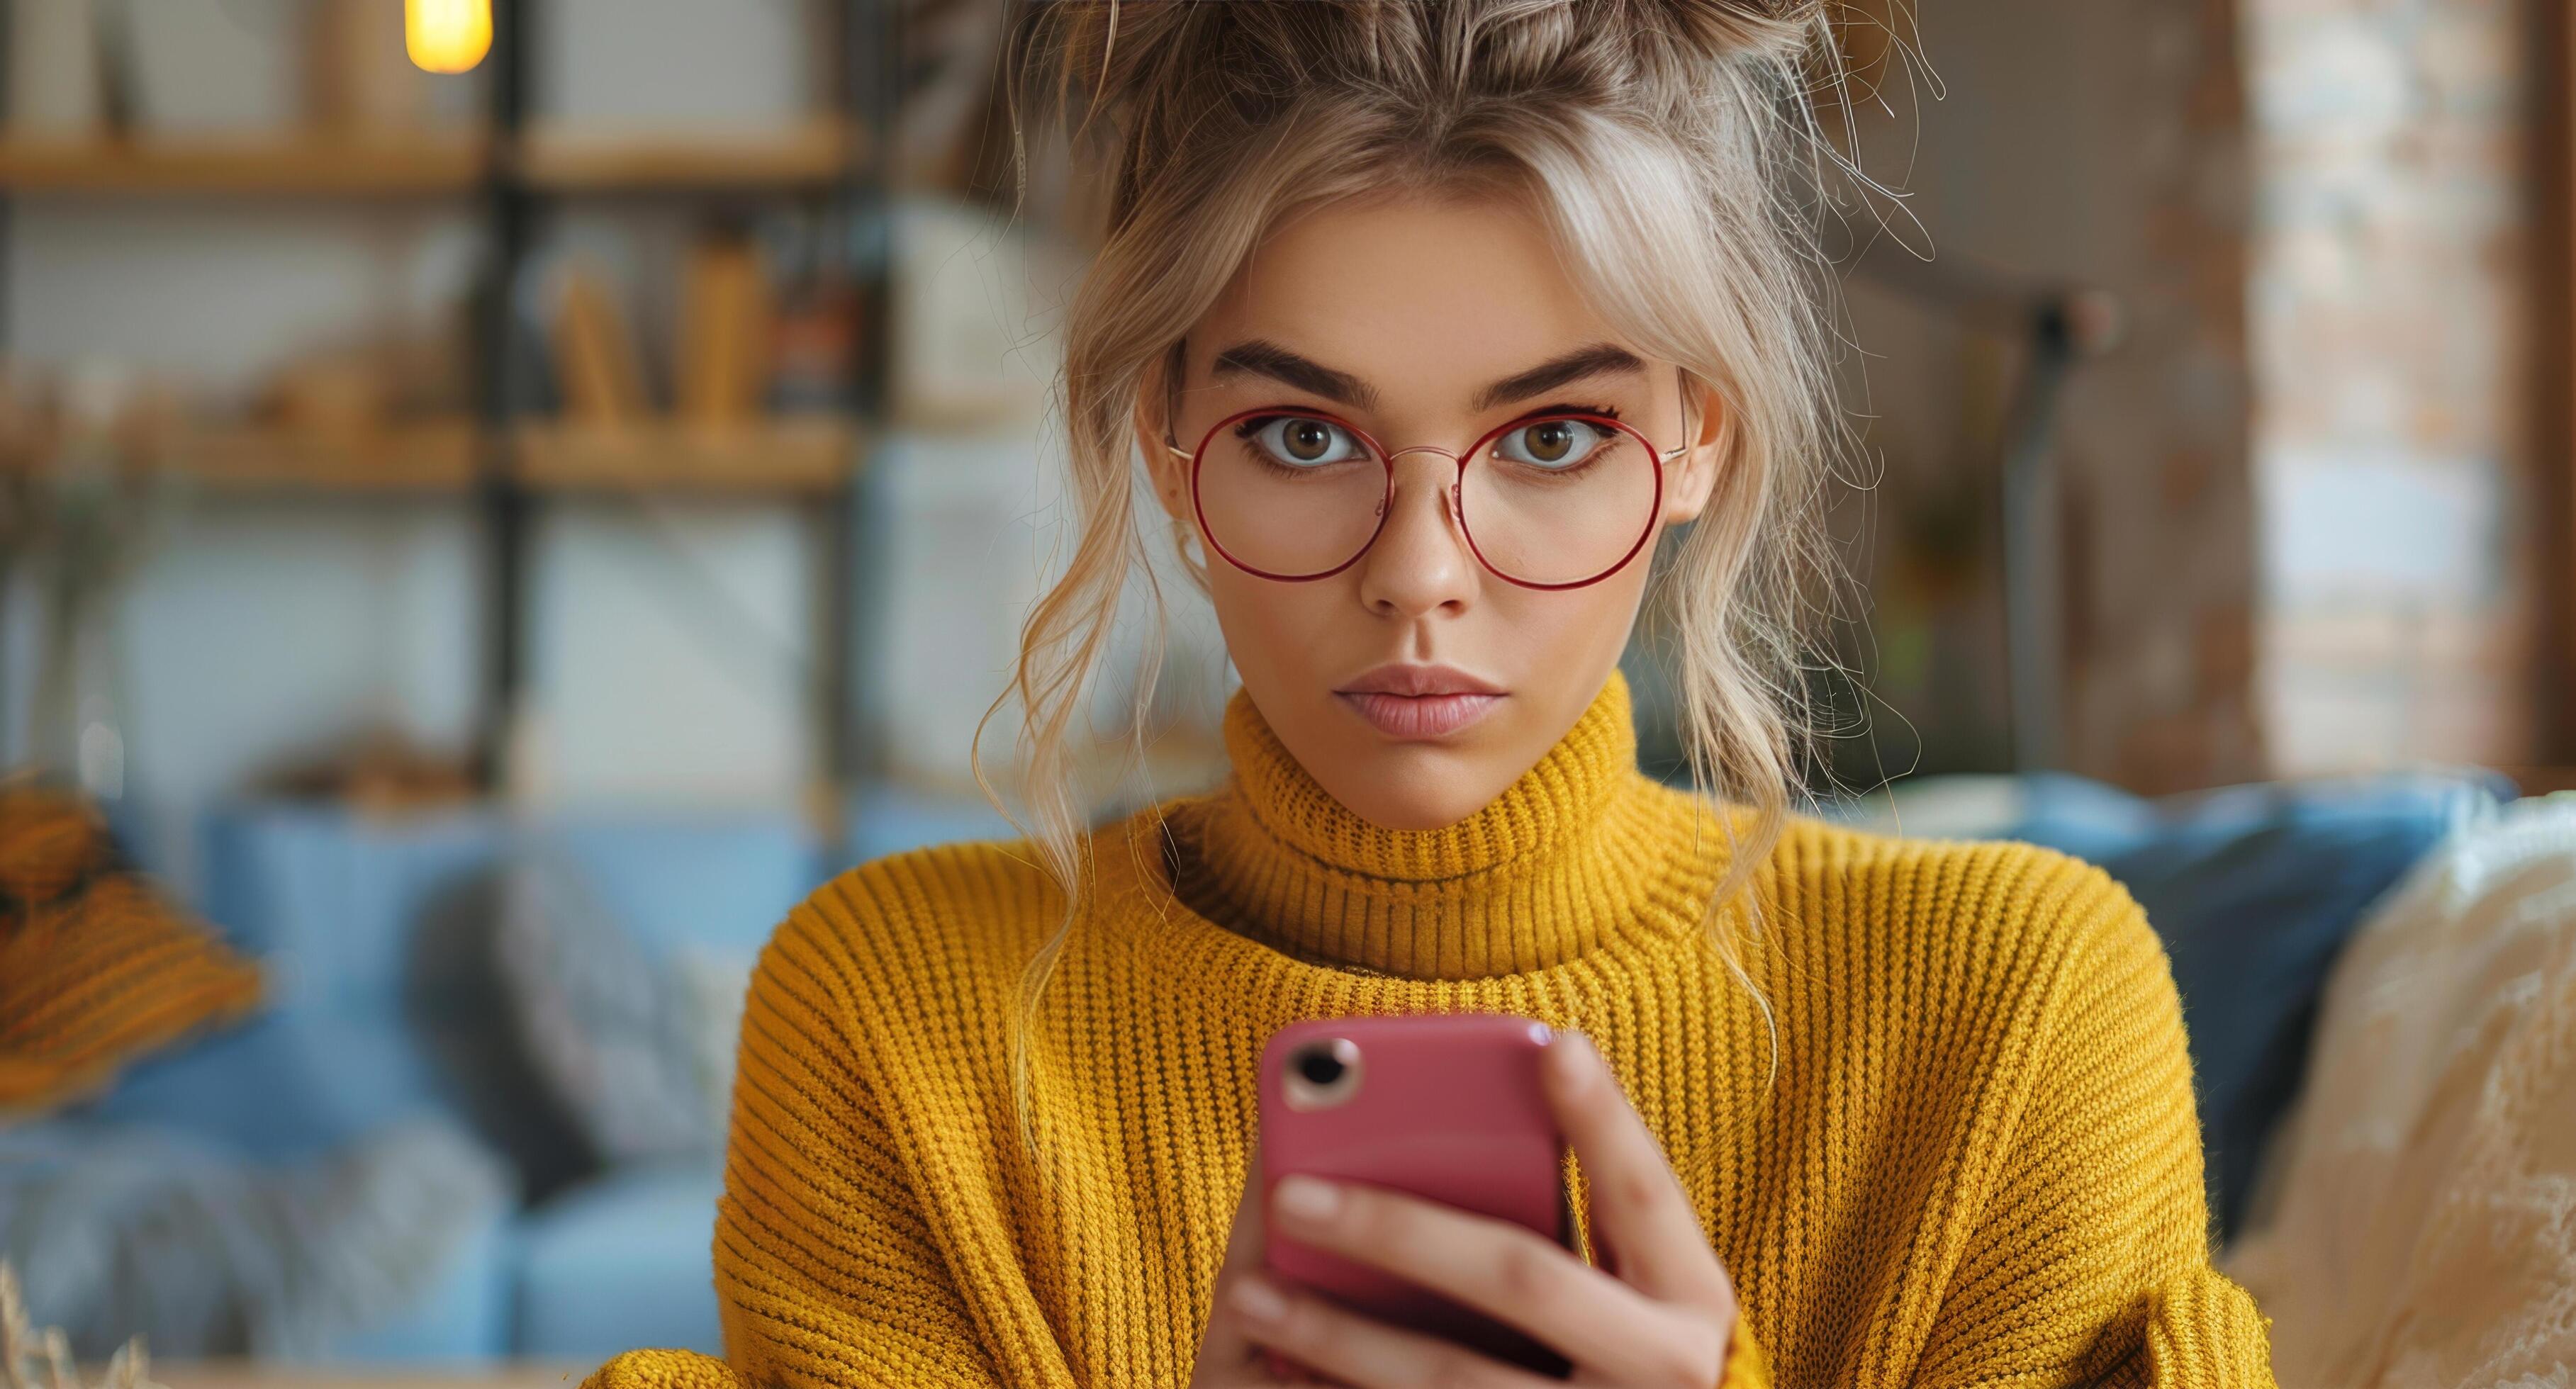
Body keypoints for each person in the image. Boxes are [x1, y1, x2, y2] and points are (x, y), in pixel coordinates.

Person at [585, 1, 2275, 1384]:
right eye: (1301, 434)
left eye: (1549, 436)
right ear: (1167, 446)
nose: (1417, 571)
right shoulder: (892, 1019)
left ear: (1698, 438)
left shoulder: (2012, 1012)